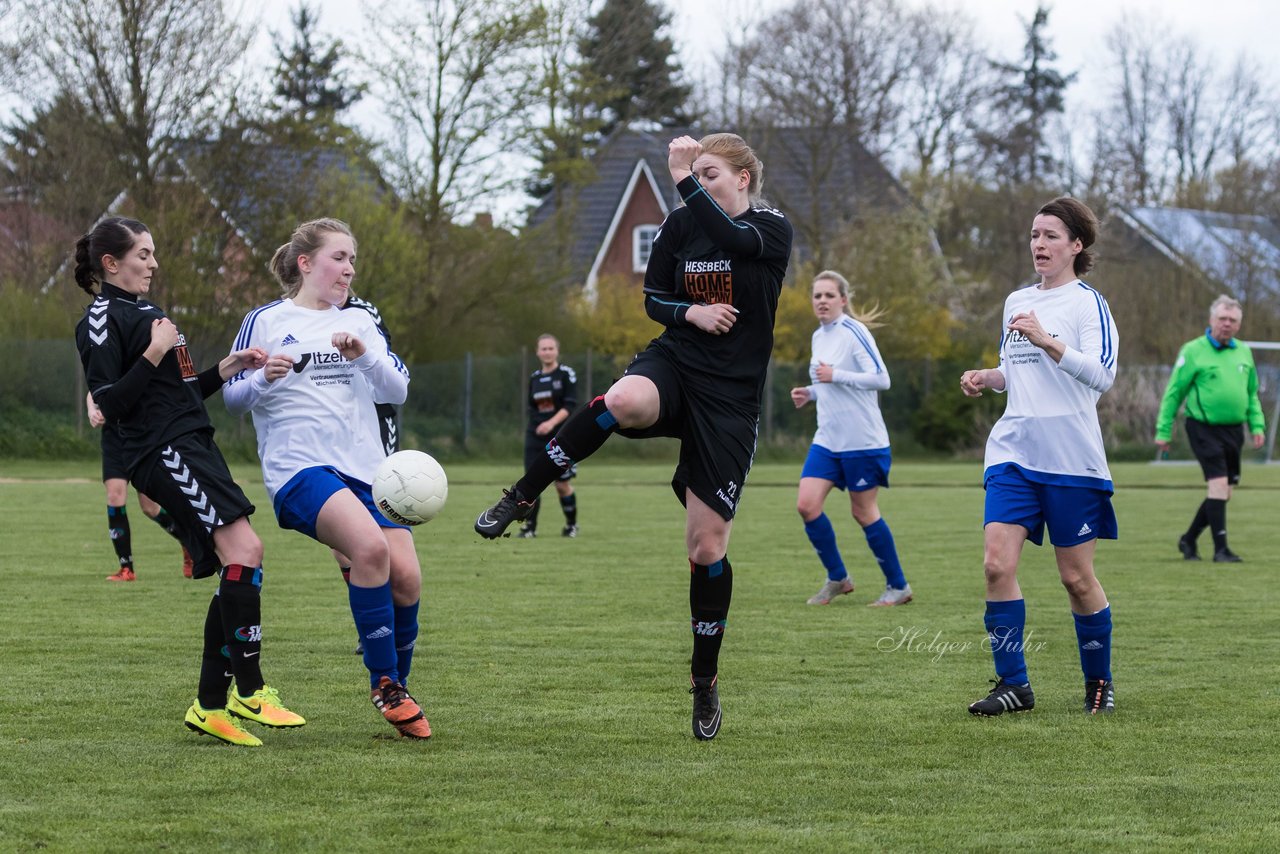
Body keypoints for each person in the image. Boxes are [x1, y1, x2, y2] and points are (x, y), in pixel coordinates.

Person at [475, 133, 793, 741]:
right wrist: (689, 313)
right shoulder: (679, 226)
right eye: (696, 175)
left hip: (731, 401)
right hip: (677, 362)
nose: (700, 184)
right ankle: (522, 495)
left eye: (712, 175)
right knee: (621, 398)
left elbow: (729, 239)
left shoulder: (771, 229)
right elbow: (653, 298)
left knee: (706, 548)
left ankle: (704, 681)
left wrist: (680, 180)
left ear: (744, 178)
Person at [74, 216, 304, 747]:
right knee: (245, 548)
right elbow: (108, 403)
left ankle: (209, 704)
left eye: (153, 254)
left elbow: (175, 393)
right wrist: (156, 350)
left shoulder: (147, 312)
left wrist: (226, 368)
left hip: (193, 442)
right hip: (163, 451)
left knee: (242, 559)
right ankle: (249, 689)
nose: (154, 263)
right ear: (111, 263)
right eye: (144, 255)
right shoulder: (102, 318)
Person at [224, 217, 430, 740]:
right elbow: (231, 398)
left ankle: (398, 688)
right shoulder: (266, 320)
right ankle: (384, 682)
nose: (348, 269)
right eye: (339, 257)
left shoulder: (359, 321)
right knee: (369, 551)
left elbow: (398, 390)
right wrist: (261, 380)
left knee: (406, 577)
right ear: (306, 262)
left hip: (367, 471)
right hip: (299, 469)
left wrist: (362, 359)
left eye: (352, 260)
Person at [959, 197, 1119, 717]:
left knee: (1076, 579)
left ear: (1076, 244)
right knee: (995, 564)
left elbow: (1102, 376)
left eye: (1051, 236)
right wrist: (989, 377)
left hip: (1071, 458)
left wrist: (1047, 340)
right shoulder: (1015, 301)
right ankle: (1014, 685)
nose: (1039, 245)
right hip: (1014, 451)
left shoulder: (1087, 303)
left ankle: (1100, 682)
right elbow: (1017, 372)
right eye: (1034, 235)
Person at [790, 271, 912, 607]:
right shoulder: (818, 336)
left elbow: (881, 379)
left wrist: (834, 375)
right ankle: (838, 578)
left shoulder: (854, 333)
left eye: (829, 295)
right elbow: (831, 385)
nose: (822, 301)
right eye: (817, 296)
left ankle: (898, 586)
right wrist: (812, 393)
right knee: (806, 505)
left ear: (843, 300)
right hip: (828, 439)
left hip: (863, 441)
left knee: (863, 512)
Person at [1154, 295, 1265, 563]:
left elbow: (1251, 394)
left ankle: (1189, 539)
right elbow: (1174, 393)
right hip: (1202, 428)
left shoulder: (1244, 352)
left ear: (1239, 324)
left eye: (1232, 320)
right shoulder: (1193, 351)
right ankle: (1221, 550)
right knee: (1217, 485)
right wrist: (1163, 430)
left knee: (1224, 491)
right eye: (1222, 319)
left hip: (1234, 430)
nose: (1226, 324)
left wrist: (1257, 424)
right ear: (1211, 320)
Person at [87, 392, 195, 581]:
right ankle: (126, 569)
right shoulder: (106, 363)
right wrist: (92, 410)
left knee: (150, 508)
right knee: (115, 497)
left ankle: (188, 540)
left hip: (141, 440)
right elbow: (92, 390)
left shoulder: (142, 364)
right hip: (113, 441)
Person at [517, 333, 581, 538]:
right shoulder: (535, 378)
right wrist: (538, 424)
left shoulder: (566, 374)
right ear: (537, 352)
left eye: (550, 348)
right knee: (531, 483)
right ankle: (530, 528)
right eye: (543, 348)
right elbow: (531, 407)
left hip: (560, 435)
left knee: (561, 485)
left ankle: (571, 525)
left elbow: (569, 406)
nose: (547, 352)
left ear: (557, 351)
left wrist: (550, 423)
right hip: (535, 436)